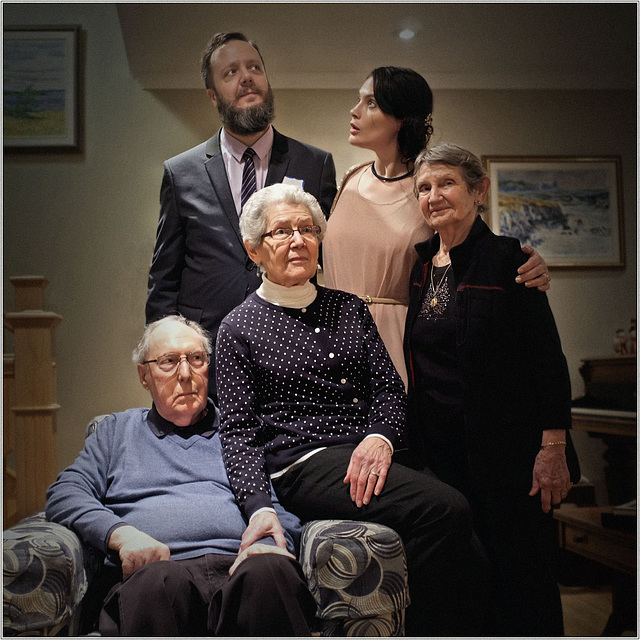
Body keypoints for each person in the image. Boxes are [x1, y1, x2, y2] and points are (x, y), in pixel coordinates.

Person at [216, 183, 489, 636]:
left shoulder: (348, 308)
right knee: (448, 509)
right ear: (253, 249)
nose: (298, 240)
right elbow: (239, 433)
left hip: (369, 452)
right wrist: (257, 506)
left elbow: (387, 389)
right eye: (281, 232)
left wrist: (379, 436)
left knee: (474, 546)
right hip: (302, 465)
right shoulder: (237, 328)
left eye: (307, 229)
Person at [403, 143, 581, 636]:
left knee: (523, 581)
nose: (433, 195)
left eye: (446, 184)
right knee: (466, 584)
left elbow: (548, 360)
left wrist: (553, 448)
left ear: (478, 191)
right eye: (423, 187)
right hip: (441, 458)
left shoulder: (510, 260)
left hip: (509, 458)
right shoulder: (420, 267)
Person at [45, 315, 316, 636]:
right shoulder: (117, 432)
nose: (186, 374)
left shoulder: (241, 432)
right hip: (157, 572)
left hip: (241, 567)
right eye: (169, 362)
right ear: (143, 376)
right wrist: (122, 535)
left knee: (270, 572)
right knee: (160, 583)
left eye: (196, 359)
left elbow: (281, 504)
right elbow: (65, 493)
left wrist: (271, 541)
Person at [322, 66, 551, 387]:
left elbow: (478, 256)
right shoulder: (349, 178)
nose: (354, 110)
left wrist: (528, 266)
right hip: (332, 339)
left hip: (402, 348)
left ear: (402, 118)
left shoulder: (430, 190)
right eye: (358, 100)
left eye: (371, 103)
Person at [145, 32, 337, 397]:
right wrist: (162, 357)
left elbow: (328, 259)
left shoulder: (315, 164)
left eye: (254, 68)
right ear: (213, 96)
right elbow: (164, 276)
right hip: (207, 356)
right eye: (230, 72)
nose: (247, 77)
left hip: (292, 345)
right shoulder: (180, 172)